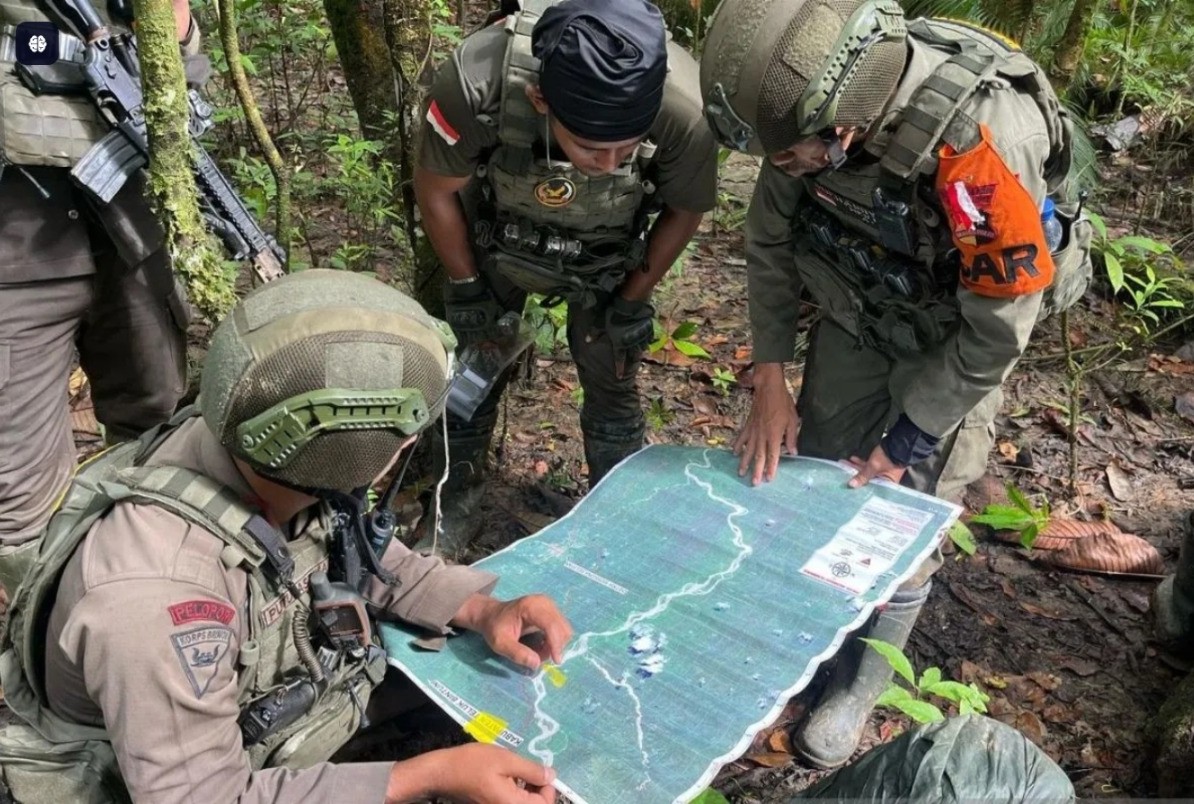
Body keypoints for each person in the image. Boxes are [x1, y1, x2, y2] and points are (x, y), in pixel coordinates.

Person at [0, 269, 572, 804]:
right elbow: (203, 797)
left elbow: (359, 549)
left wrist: (481, 609)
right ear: (373, 455)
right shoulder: (156, 597)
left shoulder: (263, 448)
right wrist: (428, 776)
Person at [699, 0, 1091, 768]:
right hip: (859, 305)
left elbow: (998, 328)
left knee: (903, 512)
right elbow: (770, 240)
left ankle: (860, 683)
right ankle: (806, 641)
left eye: (790, 157)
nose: (780, 167)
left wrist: (908, 438)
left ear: (844, 131)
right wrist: (771, 374)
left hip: (953, 340)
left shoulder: (980, 148)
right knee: (822, 475)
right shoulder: (799, 118)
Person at [413, 0, 718, 551]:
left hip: (610, 251)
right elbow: (435, 188)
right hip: (495, 233)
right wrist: (466, 287)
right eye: (593, 149)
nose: (611, 163)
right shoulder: (476, 83)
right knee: (472, 364)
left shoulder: (685, 112)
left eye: (628, 148)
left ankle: (617, 520)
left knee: (610, 369)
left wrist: (631, 300)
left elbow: (685, 209)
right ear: (540, 100)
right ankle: (452, 501)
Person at [0, 0, 200, 590]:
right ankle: (42, 620)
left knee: (159, 427)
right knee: (16, 490)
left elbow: (181, 59)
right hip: (17, 247)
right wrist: (51, 49)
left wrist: (174, 32)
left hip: (132, 226)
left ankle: (151, 588)